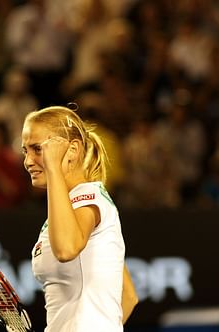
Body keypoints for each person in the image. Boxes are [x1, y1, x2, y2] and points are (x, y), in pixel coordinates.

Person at [21, 105, 138, 331]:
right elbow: (129, 296)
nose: (28, 161)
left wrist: (53, 166)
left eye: (37, 149)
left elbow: (66, 249)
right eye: (25, 150)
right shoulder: (66, 210)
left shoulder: (89, 198)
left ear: (72, 150)